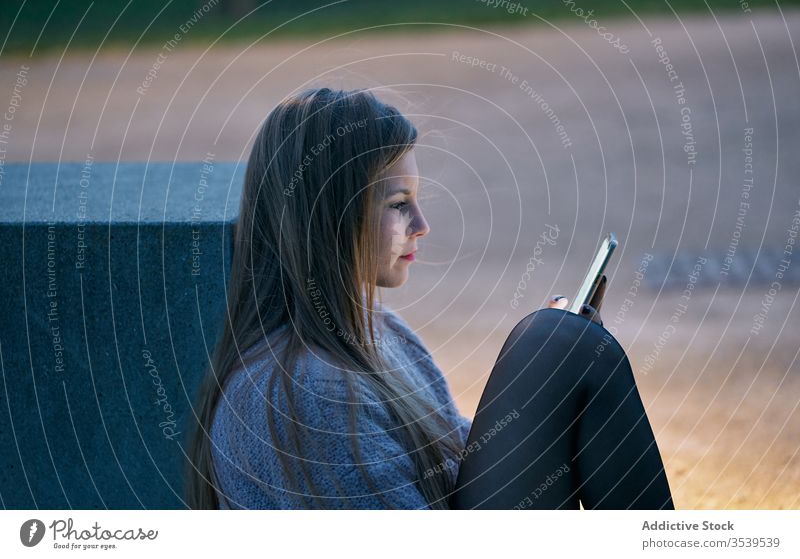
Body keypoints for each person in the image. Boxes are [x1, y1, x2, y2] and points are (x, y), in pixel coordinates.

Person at [184, 87, 673, 510]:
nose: (421, 225)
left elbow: (468, 468)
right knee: (554, 342)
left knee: (560, 346)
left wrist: (543, 391)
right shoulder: (301, 394)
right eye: (399, 205)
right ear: (327, 216)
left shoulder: (382, 333)